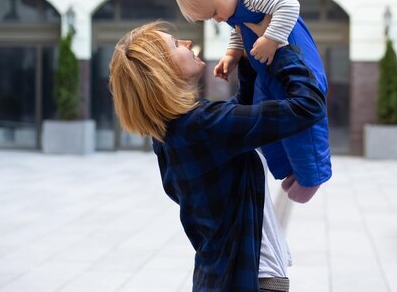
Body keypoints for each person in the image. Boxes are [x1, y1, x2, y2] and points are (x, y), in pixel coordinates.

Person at [108, 19, 326, 292]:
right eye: (176, 45)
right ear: (162, 71)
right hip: (251, 282)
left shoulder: (172, 133)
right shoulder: (201, 125)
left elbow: (233, 122)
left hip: (222, 279)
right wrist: (281, 48)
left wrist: (247, 61)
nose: (186, 42)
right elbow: (307, 107)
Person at [172, 0, 332, 203]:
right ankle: (289, 168)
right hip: (267, 73)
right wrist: (232, 55)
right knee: (270, 123)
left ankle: (313, 175)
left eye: (214, 12)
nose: (218, 19)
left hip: (298, 65)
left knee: (305, 126)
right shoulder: (232, 8)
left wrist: (271, 39)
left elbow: (289, 5)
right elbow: (240, 29)